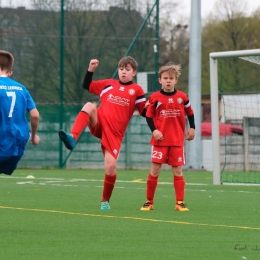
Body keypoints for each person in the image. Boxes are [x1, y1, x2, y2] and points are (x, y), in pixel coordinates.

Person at [59, 56, 147, 210]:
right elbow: (87, 85)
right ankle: (73, 137)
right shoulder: (108, 84)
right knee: (89, 105)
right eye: (121, 69)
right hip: (100, 122)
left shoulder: (137, 90)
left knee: (111, 166)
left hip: (114, 133)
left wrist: (152, 106)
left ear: (134, 73)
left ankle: (105, 200)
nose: (123, 72)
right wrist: (90, 70)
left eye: (127, 70)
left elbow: (143, 111)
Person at [140, 63, 195, 212]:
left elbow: (190, 113)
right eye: (165, 78)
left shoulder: (182, 97)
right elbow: (148, 116)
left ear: (176, 80)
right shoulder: (155, 97)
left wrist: (192, 128)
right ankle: (149, 202)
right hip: (160, 141)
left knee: (178, 171)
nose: (168, 81)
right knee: (155, 169)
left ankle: (180, 203)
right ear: (160, 80)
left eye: (171, 78)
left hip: (177, 141)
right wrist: (154, 131)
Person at [0, 50, 40, 175]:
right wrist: (33, 137)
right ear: (10, 72)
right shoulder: (21, 88)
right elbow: (35, 115)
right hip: (16, 145)